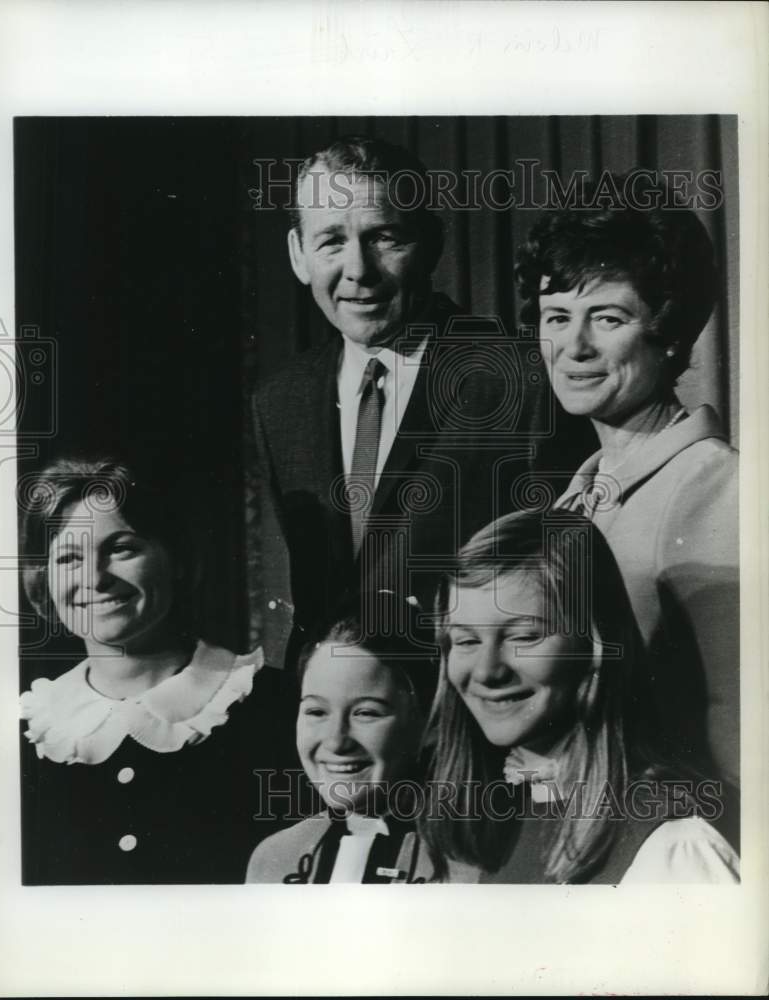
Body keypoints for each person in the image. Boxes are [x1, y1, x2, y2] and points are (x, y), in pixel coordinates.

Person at [253, 134, 570, 670]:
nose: (358, 269)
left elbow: (555, 591)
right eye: (331, 241)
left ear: (431, 241)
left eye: (384, 237)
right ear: (298, 255)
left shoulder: (521, 378)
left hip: (470, 720)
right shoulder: (280, 401)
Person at [514, 182, 739, 812]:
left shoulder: (718, 490)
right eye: (556, 316)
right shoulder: (569, 502)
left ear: (670, 332)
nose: (574, 346)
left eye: (607, 318)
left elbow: (740, 740)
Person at [420, 509, 740, 884]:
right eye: (466, 640)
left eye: (524, 636)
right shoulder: (503, 823)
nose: (487, 671)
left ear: (594, 645)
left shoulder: (671, 846)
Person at [18, 457, 297, 884]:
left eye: (122, 548)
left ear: (178, 559)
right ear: (42, 580)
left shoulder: (276, 708)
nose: (95, 578)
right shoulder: (29, 732)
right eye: (68, 558)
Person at [246, 591, 437, 883]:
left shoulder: (466, 863)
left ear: (426, 724)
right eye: (316, 712)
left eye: (366, 713)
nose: (336, 741)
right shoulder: (274, 859)